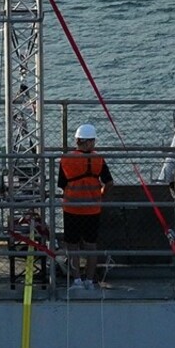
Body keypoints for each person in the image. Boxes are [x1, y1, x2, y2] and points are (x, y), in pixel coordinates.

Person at [59, 123, 113, 289]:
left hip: (71, 208)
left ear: (77, 140)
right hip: (92, 208)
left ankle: (77, 280)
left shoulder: (66, 159)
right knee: (91, 245)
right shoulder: (99, 159)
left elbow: (62, 184)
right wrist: (100, 194)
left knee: (72, 246)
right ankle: (89, 280)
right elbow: (109, 182)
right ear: (89, 142)